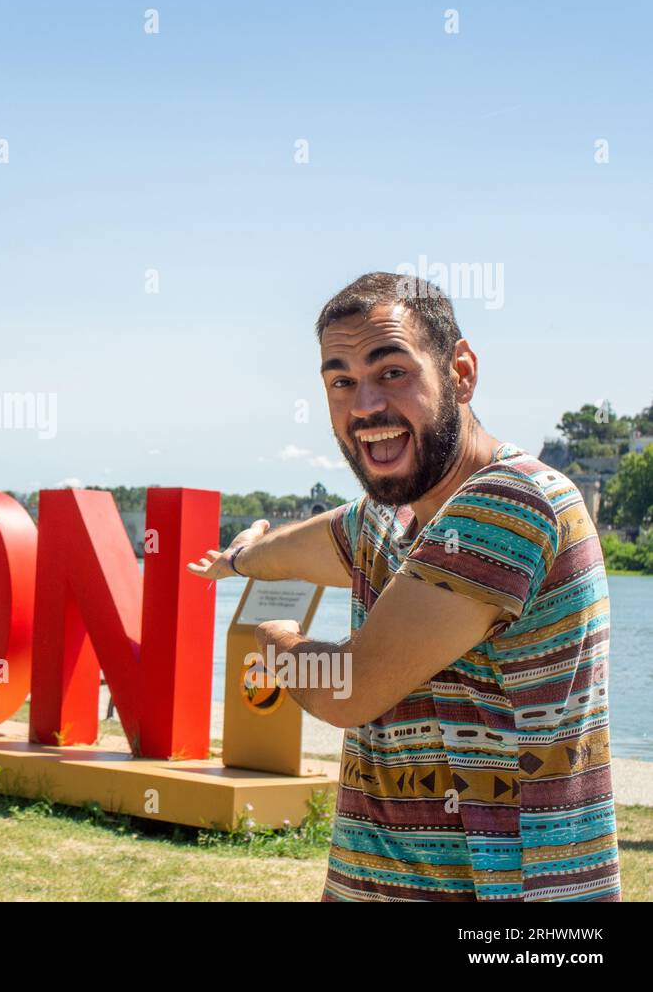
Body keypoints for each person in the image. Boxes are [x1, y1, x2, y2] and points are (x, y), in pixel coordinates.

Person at [188, 272, 619, 902]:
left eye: (391, 371)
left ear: (461, 373)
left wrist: (275, 643)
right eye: (341, 381)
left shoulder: (512, 503)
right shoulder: (392, 519)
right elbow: (300, 546)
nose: (363, 404)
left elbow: (348, 688)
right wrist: (242, 557)